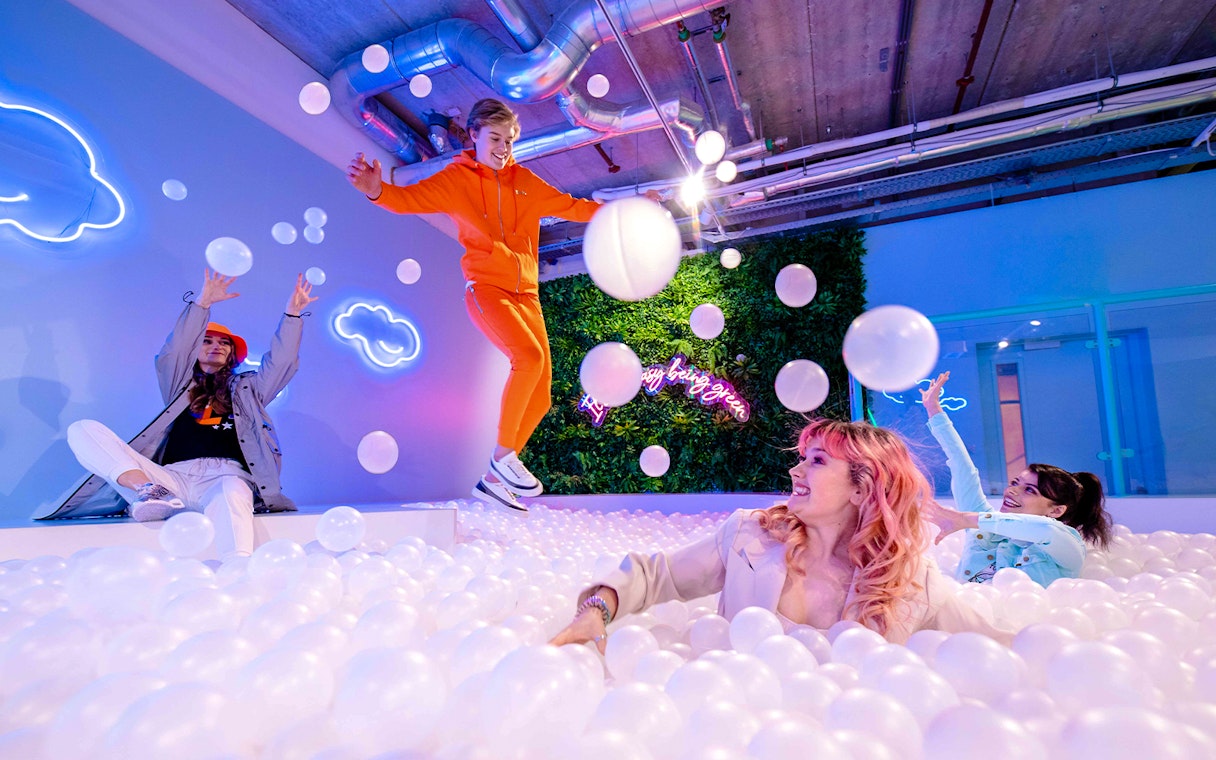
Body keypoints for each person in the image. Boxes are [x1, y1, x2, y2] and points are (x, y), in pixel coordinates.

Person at [347, 98, 658, 513]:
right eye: (494, 138)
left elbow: (576, 207)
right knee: (527, 357)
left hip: (527, 294)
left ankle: (492, 480)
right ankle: (503, 458)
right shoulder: (455, 180)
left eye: (509, 140)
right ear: (473, 135)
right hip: (486, 289)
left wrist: (631, 209)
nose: (503, 147)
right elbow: (406, 200)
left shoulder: (526, 182)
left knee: (543, 395)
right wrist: (377, 190)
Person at [551, 418, 1012, 650]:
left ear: (862, 486)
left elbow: (991, 649)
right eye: (801, 456)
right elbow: (656, 576)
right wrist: (596, 610)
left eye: (816, 461)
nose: (795, 470)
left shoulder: (912, 580)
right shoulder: (748, 535)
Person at [53, 269, 316, 561]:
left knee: (232, 489)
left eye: (224, 343)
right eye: (207, 340)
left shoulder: (249, 389)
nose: (216, 345)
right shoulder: (179, 383)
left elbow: (282, 364)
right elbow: (175, 350)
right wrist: (202, 303)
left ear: (232, 354)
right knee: (82, 428)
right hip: (170, 481)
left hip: (224, 477)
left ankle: (238, 567)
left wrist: (292, 316)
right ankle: (148, 492)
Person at [919, 371, 1112, 587]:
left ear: (1056, 510)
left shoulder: (1066, 544)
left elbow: (1044, 530)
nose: (1012, 491)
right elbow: (963, 467)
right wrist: (933, 410)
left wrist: (969, 520)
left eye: (1030, 490)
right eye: (1014, 483)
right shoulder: (983, 524)